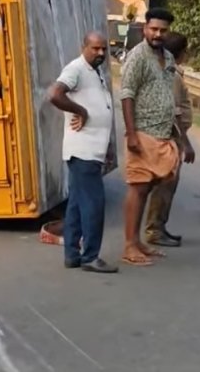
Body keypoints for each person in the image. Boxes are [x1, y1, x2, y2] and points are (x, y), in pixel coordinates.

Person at [120, 8, 195, 267]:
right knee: (138, 187)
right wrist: (131, 134)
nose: (158, 34)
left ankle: (139, 240)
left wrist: (182, 140)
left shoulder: (167, 58)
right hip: (143, 133)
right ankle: (129, 245)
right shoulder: (137, 57)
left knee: (154, 185)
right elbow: (127, 94)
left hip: (164, 135)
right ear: (145, 29)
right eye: (153, 29)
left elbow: (170, 99)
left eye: (163, 30)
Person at [47, 31, 118, 274]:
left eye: (103, 49)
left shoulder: (94, 71)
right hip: (83, 152)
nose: (100, 53)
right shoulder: (76, 68)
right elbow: (54, 94)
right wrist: (81, 111)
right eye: (95, 48)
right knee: (94, 205)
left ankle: (72, 256)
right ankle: (90, 256)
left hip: (92, 151)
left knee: (76, 206)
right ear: (84, 47)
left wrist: (106, 146)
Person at [144, 32, 193, 247]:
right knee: (165, 184)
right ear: (181, 52)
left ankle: (159, 226)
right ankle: (154, 229)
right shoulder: (172, 75)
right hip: (169, 136)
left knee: (165, 186)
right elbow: (174, 111)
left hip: (167, 134)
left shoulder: (172, 73)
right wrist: (185, 142)